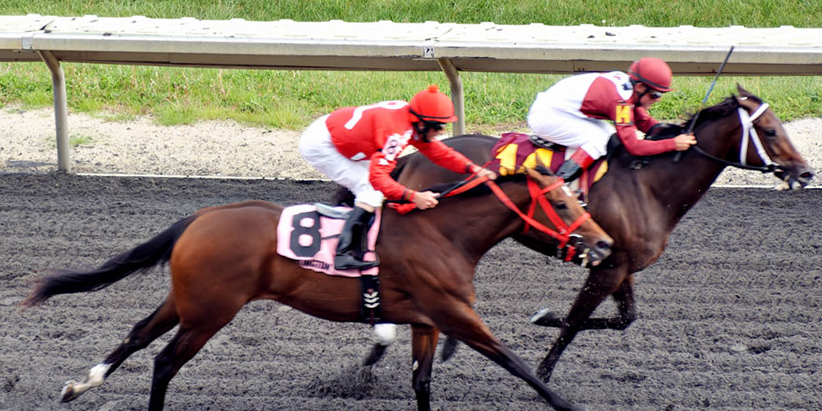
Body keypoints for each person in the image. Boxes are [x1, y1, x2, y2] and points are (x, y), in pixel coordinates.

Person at [297, 86, 487, 279]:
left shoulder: (410, 119)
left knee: (371, 192)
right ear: (421, 124)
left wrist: (472, 168)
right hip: (322, 145)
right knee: (370, 191)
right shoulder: (396, 135)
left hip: (340, 134)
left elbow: (438, 153)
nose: (440, 132)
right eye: (438, 127)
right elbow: (378, 178)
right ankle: (342, 253)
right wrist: (415, 197)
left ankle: (357, 231)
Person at [527, 56, 696, 186]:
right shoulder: (620, 102)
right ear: (639, 87)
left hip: (564, 111)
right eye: (655, 94)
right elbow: (634, 147)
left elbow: (644, 122)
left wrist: (677, 132)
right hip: (546, 116)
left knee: (609, 135)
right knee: (599, 140)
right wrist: (673, 144)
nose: (657, 100)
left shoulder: (628, 88)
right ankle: (558, 185)